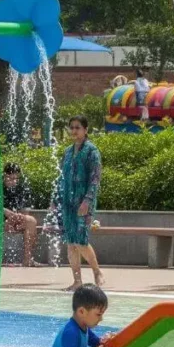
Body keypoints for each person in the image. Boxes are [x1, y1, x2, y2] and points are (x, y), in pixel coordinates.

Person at [54, 115, 104, 290]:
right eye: (72, 127)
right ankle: (77, 280)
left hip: (84, 202)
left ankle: (97, 271)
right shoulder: (67, 152)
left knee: (80, 241)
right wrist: (55, 199)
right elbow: (61, 178)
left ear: (85, 130)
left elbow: (95, 179)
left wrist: (87, 201)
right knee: (70, 242)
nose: (74, 131)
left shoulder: (92, 151)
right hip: (67, 201)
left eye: (78, 127)